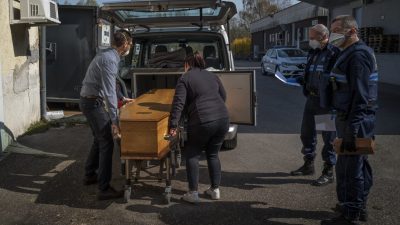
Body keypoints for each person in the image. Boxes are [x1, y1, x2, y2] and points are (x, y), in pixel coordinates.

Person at [321, 15, 378, 224]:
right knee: (357, 165)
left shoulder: (358, 56)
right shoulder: (347, 52)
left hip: (355, 121)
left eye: (336, 30)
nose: (333, 35)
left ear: (352, 31)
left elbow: (360, 97)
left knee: (350, 168)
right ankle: (357, 206)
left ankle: (350, 214)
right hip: (350, 118)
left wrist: (352, 131)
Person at [168, 52, 229, 204]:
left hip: (202, 120)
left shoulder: (185, 78)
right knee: (213, 154)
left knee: (193, 154)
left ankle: (193, 193)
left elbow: (178, 104)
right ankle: (215, 190)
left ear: (187, 64)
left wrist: (173, 125)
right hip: (223, 118)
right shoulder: (212, 76)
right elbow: (224, 96)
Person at [79, 29, 133, 200]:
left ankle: (90, 175)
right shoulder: (109, 60)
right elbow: (109, 92)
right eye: (130, 44)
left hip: (89, 100)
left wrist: (122, 98)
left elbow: (111, 86)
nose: (129, 47)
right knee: (107, 141)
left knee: (99, 138)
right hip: (92, 103)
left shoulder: (108, 56)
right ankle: (103, 188)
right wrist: (115, 120)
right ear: (124, 44)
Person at [291, 24, 340, 186]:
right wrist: (302, 79)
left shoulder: (333, 53)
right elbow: (312, 73)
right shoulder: (313, 53)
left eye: (312, 37)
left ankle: (328, 171)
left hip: (325, 103)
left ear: (322, 36)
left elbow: (335, 79)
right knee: (306, 134)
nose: (310, 40)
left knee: (328, 138)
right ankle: (308, 164)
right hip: (311, 100)